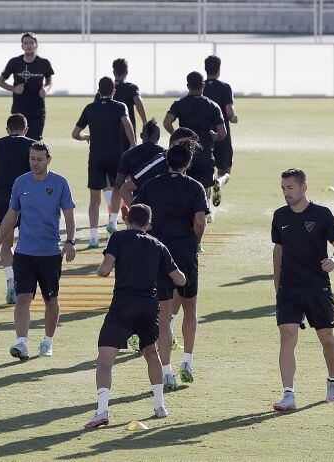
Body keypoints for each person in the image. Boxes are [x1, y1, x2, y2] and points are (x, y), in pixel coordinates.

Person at [84, 204, 186, 428]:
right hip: (149, 306)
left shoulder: (118, 238)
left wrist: (100, 270)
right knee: (151, 353)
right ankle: (160, 406)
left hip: (123, 305)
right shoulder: (158, 245)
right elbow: (180, 279)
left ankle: (102, 411)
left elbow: (104, 270)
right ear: (148, 225)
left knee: (104, 360)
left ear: (126, 218)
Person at [0, 141, 76, 361]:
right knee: (23, 298)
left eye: (39, 159)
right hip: (25, 252)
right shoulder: (21, 183)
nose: (35, 163)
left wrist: (71, 241)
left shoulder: (60, 183)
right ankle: (22, 342)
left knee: (50, 300)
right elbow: (11, 216)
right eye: (32, 159)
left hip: (50, 253)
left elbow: (69, 215)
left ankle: (47, 341)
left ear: (48, 159)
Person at [134, 140, 208, 390]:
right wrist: (196, 240)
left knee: (163, 316)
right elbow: (200, 220)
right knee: (190, 309)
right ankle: (187, 362)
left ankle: (167, 372)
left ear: (168, 161)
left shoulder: (150, 186)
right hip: (185, 253)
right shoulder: (195, 187)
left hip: (158, 253)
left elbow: (137, 215)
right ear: (188, 163)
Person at [271, 168, 334, 411]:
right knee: (287, 335)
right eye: (283, 188)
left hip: (317, 286)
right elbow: (278, 251)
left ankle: (332, 382)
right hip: (289, 288)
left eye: (289, 188)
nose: (286, 193)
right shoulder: (280, 216)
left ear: (304, 187)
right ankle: (288, 394)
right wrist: (277, 284)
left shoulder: (323, 214)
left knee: (326, 339)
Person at [72, 76, 136, 247]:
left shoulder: (90, 108)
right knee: (117, 188)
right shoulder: (120, 106)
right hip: (116, 155)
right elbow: (127, 123)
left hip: (96, 156)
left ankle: (93, 236)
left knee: (94, 199)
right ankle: (112, 221)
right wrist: (133, 144)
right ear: (114, 91)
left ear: (98, 91)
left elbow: (75, 133)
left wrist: (87, 136)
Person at [0, 114, 35, 304]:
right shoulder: (33, 144)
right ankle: (26, 282)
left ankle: (10, 281)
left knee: (7, 241)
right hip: (28, 195)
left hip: (4, 195)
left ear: (7, 129)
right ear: (25, 129)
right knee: (28, 240)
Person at [163, 71, 226, 222]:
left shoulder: (179, 104)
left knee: (185, 182)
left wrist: (178, 137)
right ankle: (206, 211)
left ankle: (186, 211)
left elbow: (166, 122)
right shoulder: (212, 105)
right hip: (204, 152)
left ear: (187, 86)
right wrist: (214, 137)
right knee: (205, 184)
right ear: (203, 85)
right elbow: (222, 132)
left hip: (185, 152)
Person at [108, 119, 164, 228]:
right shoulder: (164, 155)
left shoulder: (128, 155)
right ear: (158, 137)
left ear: (141, 135)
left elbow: (119, 184)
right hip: (161, 205)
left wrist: (131, 206)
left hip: (138, 203)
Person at [0, 32, 54, 140]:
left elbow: (49, 80)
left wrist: (46, 90)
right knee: (17, 140)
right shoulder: (14, 62)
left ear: (36, 45)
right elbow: (0, 82)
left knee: (35, 142)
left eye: (31, 42)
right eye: (26, 43)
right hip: (19, 109)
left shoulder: (44, 63)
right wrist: (14, 89)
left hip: (37, 110)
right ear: (22, 46)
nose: (29, 45)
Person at [203, 55, 239, 207]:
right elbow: (229, 112)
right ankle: (219, 182)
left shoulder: (199, 86)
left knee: (205, 174)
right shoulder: (225, 87)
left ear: (205, 69)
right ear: (219, 69)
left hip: (204, 135)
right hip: (222, 133)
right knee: (225, 171)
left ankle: (207, 209)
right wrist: (233, 118)